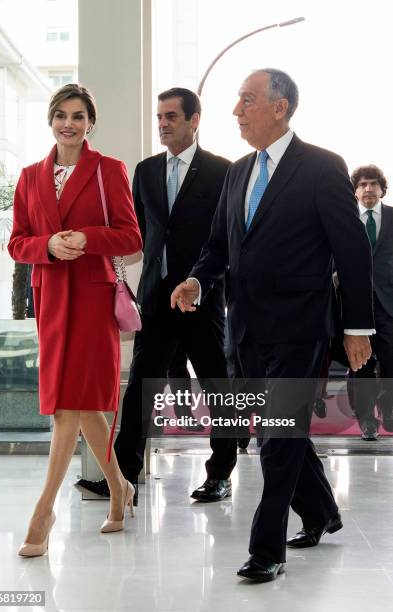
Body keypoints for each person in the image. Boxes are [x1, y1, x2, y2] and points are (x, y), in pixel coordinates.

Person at [171, 68, 374, 582]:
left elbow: (352, 254)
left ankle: (267, 549)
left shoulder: (323, 167)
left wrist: (358, 329)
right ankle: (324, 511)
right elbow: (220, 244)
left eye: (247, 100)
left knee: (278, 440)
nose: (237, 111)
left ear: (279, 107)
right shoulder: (238, 172)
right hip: (245, 328)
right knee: (277, 429)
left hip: (302, 326)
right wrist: (197, 280)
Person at [76, 87, 237, 504]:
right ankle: (123, 476)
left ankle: (220, 473)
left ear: (194, 120)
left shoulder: (223, 171)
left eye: (171, 117)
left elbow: (227, 239)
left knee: (216, 385)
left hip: (201, 297)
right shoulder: (146, 171)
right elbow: (137, 234)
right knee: (141, 387)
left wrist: (205, 283)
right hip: (155, 298)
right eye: (159, 117)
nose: (163, 124)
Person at [8, 83, 142, 557]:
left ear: (90, 122)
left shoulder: (109, 171)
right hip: (50, 298)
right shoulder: (29, 177)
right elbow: (18, 242)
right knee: (83, 405)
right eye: (62, 114)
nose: (69, 123)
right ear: (51, 119)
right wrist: (45, 246)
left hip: (90, 297)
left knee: (70, 403)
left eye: (79, 115)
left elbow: (130, 237)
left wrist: (83, 239)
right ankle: (121, 489)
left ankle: (43, 512)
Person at [345, 165, 393, 440]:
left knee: (390, 360)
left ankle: (389, 410)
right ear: (355, 190)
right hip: (356, 304)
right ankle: (366, 420)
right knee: (361, 363)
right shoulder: (347, 218)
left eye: (373, 184)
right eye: (362, 184)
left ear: (382, 189)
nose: (368, 189)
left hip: (389, 304)